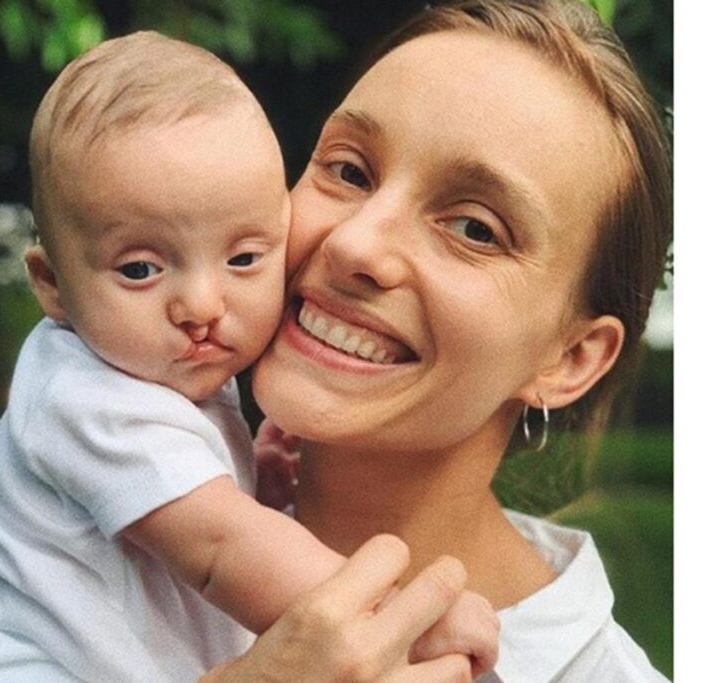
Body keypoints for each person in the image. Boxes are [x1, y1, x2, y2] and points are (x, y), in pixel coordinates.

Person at [0, 31, 498, 682]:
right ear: (52, 284)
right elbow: (225, 547)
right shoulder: (86, 396)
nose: (201, 303)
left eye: (243, 258)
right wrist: (406, 621)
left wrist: (248, 479)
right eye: (140, 268)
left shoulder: (161, 373)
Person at [207, 0, 674, 681]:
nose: (355, 242)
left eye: (476, 228)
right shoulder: (101, 494)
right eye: (349, 171)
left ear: (570, 358)